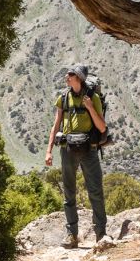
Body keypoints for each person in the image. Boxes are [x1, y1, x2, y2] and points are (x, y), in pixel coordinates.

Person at [45, 63, 107, 249]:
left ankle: (101, 235)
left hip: (89, 150)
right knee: (68, 193)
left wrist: (89, 107)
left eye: (70, 74)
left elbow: (102, 127)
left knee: (95, 192)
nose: (66, 76)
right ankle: (72, 235)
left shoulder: (93, 98)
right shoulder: (63, 98)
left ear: (78, 77)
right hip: (67, 150)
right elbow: (56, 126)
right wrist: (48, 151)